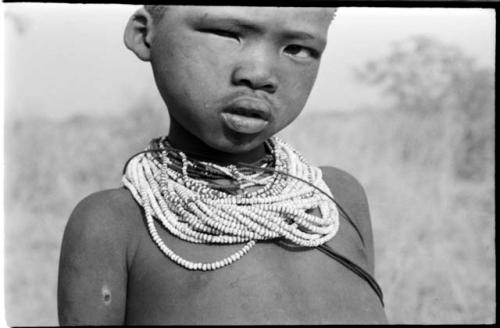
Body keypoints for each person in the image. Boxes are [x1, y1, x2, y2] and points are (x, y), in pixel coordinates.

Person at [57, 5, 388, 325]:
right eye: (227, 33)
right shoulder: (114, 224)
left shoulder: (335, 199)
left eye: (296, 48)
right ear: (145, 35)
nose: (259, 75)